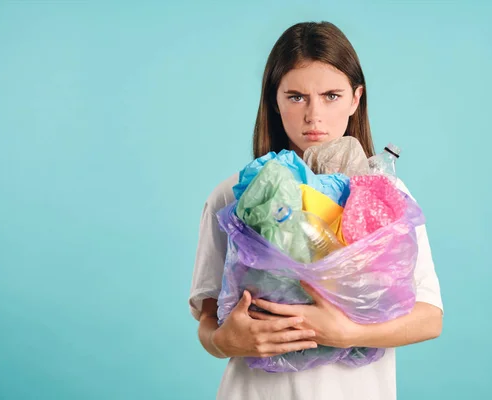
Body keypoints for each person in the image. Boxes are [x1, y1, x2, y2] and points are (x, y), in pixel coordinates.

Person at [188, 21, 444, 400]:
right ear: (274, 100)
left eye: (331, 95)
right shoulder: (235, 196)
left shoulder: (385, 197)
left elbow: (429, 317)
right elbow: (209, 321)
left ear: (356, 98)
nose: (314, 115)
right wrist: (225, 341)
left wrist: (348, 334)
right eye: (295, 96)